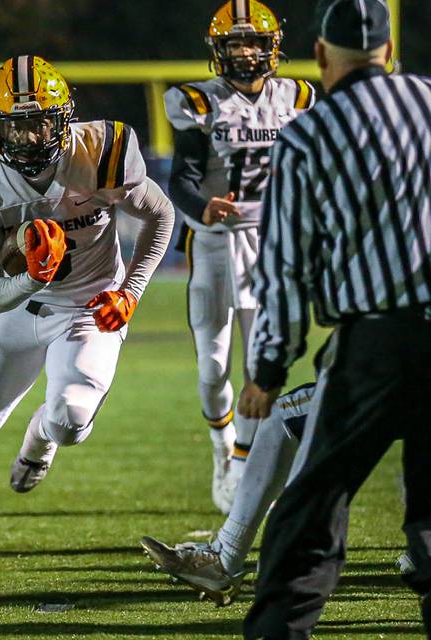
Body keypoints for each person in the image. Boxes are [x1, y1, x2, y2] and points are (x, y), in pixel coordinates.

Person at [0, 55, 174, 570]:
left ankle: (41, 438)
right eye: (14, 125)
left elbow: (160, 215)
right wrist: (31, 276)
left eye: (39, 122)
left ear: (64, 119)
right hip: (20, 311)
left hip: (90, 305)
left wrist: (130, 291)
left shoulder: (102, 152)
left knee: (70, 422)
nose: (27, 137)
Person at [237, 1, 431, 635]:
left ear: (320, 57)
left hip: (376, 343)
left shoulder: (308, 136)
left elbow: (286, 268)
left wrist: (269, 367)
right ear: (389, 49)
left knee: (310, 513)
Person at [165, 0, 315, 514]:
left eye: (254, 42)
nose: (246, 52)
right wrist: (203, 206)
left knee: (258, 364)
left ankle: (243, 463)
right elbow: (180, 178)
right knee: (211, 368)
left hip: (271, 244)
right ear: (218, 51)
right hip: (213, 242)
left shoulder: (296, 97)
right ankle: (220, 445)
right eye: (235, 43)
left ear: (273, 47)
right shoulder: (198, 102)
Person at [141, 383, 314, 606]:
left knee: (282, 415)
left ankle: (227, 558)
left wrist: (268, 376)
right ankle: (290, 562)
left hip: (370, 386)